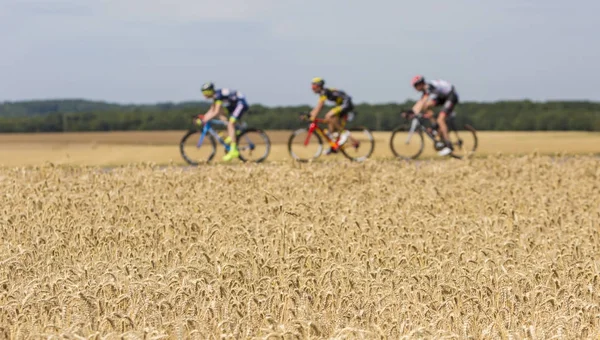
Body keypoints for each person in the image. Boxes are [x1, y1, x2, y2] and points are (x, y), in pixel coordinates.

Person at [196, 82, 249, 161]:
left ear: (208, 92)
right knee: (221, 113)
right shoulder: (215, 96)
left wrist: (204, 120)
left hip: (240, 103)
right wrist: (204, 117)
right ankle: (235, 130)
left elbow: (215, 112)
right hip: (234, 104)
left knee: (230, 123)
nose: (203, 95)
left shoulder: (218, 96)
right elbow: (212, 110)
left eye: (204, 93)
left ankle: (234, 150)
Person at [410, 75, 460, 156]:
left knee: (441, 119)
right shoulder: (426, 89)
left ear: (420, 84)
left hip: (451, 95)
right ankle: (435, 125)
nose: (415, 88)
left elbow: (424, 100)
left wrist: (413, 111)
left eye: (415, 86)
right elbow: (421, 102)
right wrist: (412, 110)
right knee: (426, 106)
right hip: (443, 97)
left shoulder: (428, 87)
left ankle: (449, 146)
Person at [308, 77, 355, 153]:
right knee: (331, 127)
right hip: (341, 104)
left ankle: (343, 134)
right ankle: (333, 146)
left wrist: (312, 115)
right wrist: (310, 114)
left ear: (319, 85)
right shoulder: (323, 92)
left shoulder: (324, 92)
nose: (312, 88)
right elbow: (317, 106)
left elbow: (320, 106)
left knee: (328, 116)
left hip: (346, 103)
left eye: (314, 86)